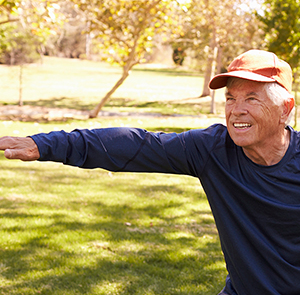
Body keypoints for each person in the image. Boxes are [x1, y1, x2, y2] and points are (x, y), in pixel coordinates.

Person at [0, 49, 298, 295]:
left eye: (252, 98)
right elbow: (134, 145)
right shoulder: (213, 150)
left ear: (285, 108)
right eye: (231, 99)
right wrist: (43, 145)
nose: (236, 111)